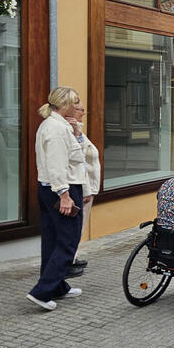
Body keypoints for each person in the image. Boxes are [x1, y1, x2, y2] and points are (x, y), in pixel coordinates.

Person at [26, 87, 88, 311]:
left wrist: (76, 131)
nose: (79, 106)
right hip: (62, 189)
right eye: (76, 102)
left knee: (52, 240)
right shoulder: (55, 129)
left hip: (51, 188)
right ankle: (41, 292)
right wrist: (64, 195)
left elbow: (76, 156)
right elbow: (56, 164)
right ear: (65, 105)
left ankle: (57, 286)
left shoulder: (59, 126)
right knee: (68, 241)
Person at [70, 103, 101, 276]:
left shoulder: (77, 129)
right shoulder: (70, 129)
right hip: (82, 186)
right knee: (77, 226)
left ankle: (73, 256)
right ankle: (69, 260)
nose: (84, 112)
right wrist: (86, 190)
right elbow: (78, 160)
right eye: (81, 109)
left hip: (86, 185)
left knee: (79, 226)